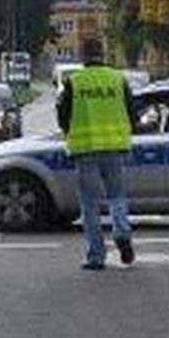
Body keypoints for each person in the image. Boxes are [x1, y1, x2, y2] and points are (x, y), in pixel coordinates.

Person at [56, 39, 138, 271]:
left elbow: (63, 116)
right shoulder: (118, 79)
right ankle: (122, 233)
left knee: (90, 205)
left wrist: (69, 134)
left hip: (85, 151)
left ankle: (96, 256)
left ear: (82, 56)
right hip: (115, 148)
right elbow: (133, 114)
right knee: (117, 197)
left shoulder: (74, 82)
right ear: (103, 54)